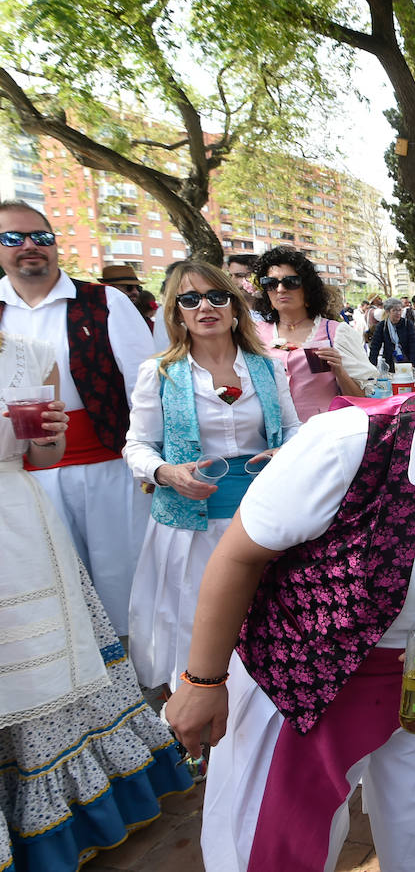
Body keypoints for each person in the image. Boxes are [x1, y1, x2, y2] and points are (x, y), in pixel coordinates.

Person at [163, 288, 415, 872]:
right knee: (278, 850)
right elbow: (239, 556)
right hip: (304, 678)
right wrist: (201, 679)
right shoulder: (350, 443)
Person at [0, 329, 192, 870]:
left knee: (36, 667)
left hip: (13, 518)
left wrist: (48, 436)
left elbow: (47, 452)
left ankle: (54, 823)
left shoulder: (30, 353)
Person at [123, 262, 300, 692]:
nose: (205, 306)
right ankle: (195, 717)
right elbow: (136, 446)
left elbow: (295, 429)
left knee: (260, 619)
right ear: (176, 312)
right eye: (190, 299)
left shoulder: (267, 367)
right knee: (192, 621)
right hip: (190, 526)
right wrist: (165, 471)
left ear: (234, 307)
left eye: (216, 296)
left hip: (261, 520)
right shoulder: (160, 372)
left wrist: (287, 452)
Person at [0, 199, 154, 637]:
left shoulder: (104, 301)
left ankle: (147, 684)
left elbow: (145, 389)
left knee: (124, 582)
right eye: (13, 237)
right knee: (55, 592)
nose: (30, 245)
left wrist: (148, 459)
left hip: (108, 467)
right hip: (24, 476)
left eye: (41, 237)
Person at [253, 246, 373, 420]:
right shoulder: (255, 333)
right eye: (270, 283)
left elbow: (361, 399)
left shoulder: (335, 333)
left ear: (307, 289)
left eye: (291, 282)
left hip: (322, 436)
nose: (280, 289)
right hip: (272, 438)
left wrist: (339, 370)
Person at [369, 297, 415, 375]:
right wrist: (372, 367)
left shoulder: (407, 324)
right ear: (387, 311)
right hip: (391, 363)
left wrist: (414, 365)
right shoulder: (382, 326)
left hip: (408, 361)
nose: (398, 313)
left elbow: (414, 346)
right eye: (394, 310)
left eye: (399, 310)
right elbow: (375, 347)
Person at [226, 254, 265, 323]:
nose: (232, 281)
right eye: (230, 275)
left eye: (239, 276)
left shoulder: (275, 309)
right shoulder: (227, 311)